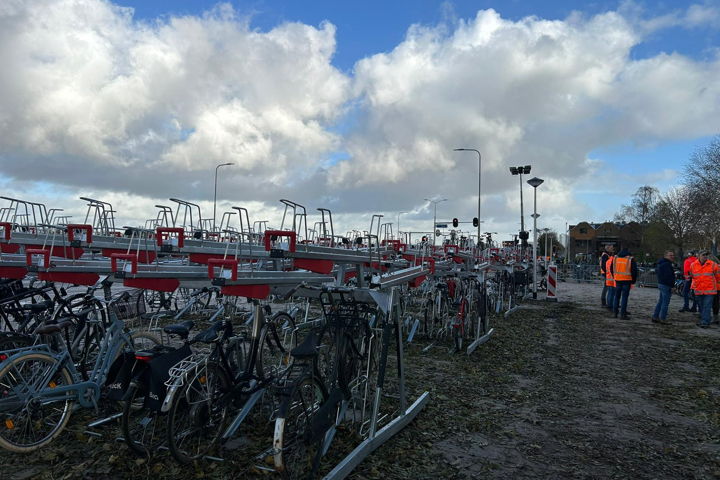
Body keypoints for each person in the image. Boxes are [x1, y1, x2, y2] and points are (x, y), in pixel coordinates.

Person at [689, 251, 720, 328]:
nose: (705, 256)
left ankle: (705, 322)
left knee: (707, 306)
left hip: (710, 291)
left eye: (706, 255)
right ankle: (704, 320)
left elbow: (718, 277)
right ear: (699, 256)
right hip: (698, 290)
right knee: (701, 307)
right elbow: (692, 276)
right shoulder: (693, 265)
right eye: (703, 255)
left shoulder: (713, 265)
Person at [611, 247, 638, 320]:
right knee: (624, 298)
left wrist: (615, 276)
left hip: (617, 280)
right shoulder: (630, 259)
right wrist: (633, 281)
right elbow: (634, 271)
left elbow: (611, 268)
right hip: (627, 280)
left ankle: (615, 313)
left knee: (616, 297)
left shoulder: (615, 258)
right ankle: (623, 314)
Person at [652, 250, 675, 324]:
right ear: (665, 256)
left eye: (673, 255)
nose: (672, 256)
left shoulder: (661, 263)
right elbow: (668, 276)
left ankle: (655, 316)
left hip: (661, 284)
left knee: (661, 302)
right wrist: (672, 286)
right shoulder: (666, 264)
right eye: (670, 255)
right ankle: (662, 318)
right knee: (665, 303)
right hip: (666, 285)